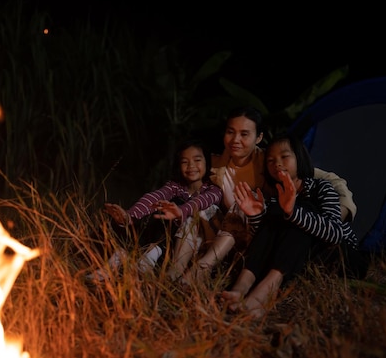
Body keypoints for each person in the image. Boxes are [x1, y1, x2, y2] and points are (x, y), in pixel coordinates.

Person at [175, 106, 357, 283]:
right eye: (230, 132)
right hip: (228, 238)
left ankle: (205, 268)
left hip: (262, 233)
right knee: (198, 211)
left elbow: (329, 179)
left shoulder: (271, 161)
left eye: (244, 134)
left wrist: (341, 211)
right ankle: (175, 270)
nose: (235, 139)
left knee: (245, 203)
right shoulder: (214, 164)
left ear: (259, 137)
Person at [219, 133, 360, 318]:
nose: (277, 163)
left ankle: (265, 292)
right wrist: (255, 216)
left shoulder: (321, 188)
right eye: (270, 160)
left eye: (284, 157)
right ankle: (240, 287)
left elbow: (335, 234)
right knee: (276, 214)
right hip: (296, 260)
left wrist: (293, 212)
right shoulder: (274, 197)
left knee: (300, 209)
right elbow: (264, 243)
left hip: (336, 255)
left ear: (299, 158)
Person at [86, 138, 223, 281]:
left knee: (178, 206)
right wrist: (129, 216)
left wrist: (180, 211)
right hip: (161, 240)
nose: (191, 166)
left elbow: (199, 202)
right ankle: (120, 260)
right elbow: (154, 197)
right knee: (157, 210)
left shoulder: (213, 190)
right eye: (184, 162)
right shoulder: (175, 186)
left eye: (197, 160)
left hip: (188, 248)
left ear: (207, 162)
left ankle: (143, 257)